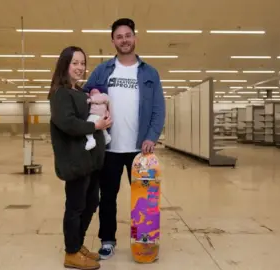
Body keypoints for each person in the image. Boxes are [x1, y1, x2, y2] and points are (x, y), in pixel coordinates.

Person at [82, 18, 166, 260]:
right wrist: (92, 95)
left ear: (135, 38)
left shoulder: (150, 73)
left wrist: (151, 136)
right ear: (113, 41)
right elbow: (86, 94)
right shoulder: (103, 70)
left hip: (141, 150)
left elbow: (159, 108)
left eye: (128, 35)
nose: (124, 40)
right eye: (119, 36)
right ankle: (107, 240)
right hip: (109, 148)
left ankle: (145, 240)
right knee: (107, 197)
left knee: (144, 201)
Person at [48, 45, 112, 270]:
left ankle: (78, 243)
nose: (79, 67)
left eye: (82, 63)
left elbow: (92, 118)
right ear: (64, 65)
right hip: (75, 162)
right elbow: (67, 123)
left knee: (91, 203)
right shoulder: (60, 93)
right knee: (75, 207)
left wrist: (103, 119)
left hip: (90, 161)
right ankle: (71, 252)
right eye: (74, 63)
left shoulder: (81, 92)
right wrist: (95, 124)